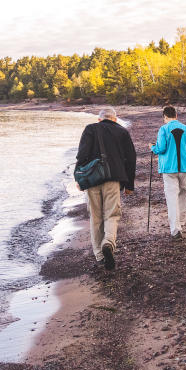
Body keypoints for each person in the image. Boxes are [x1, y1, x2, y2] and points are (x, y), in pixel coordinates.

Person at [75, 106, 137, 271]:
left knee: (95, 216)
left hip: (92, 179)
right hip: (113, 179)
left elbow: (81, 155)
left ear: (99, 119)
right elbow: (131, 159)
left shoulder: (90, 129)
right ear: (115, 119)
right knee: (112, 214)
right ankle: (108, 242)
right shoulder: (122, 132)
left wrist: (78, 178)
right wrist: (129, 185)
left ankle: (100, 256)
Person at [149, 104, 186, 238]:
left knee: (171, 197)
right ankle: (181, 222)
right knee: (183, 194)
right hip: (185, 167)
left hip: (169, 169)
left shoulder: (163, 129)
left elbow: (161, 149)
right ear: (176, 115)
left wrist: (153, 148)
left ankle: (176, 229)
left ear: (164, 117)